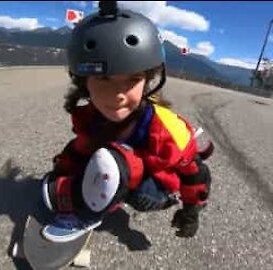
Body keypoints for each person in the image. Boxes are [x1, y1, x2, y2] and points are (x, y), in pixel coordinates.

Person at [41, 1, 213, 243]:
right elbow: (81, 147)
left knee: (117, 160)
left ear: (148, 81)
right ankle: (90, 189)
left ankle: (87, 211)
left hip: (151, 190)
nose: (118, 94)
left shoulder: (168, 130)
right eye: (103, 78)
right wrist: (62, 170)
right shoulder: (92, 115)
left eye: (132, 79)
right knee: (91, 150)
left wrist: (191, 211)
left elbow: (194, 172)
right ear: (83, 82)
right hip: (119, 168)